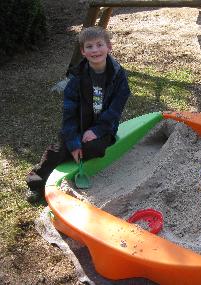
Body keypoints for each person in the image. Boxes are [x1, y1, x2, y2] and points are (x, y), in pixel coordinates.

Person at [25, 26, 132, 202]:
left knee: (96, 148)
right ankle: (35, 184)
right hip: (78, 125)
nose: (95, 50)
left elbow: (116, 109)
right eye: (89, 46)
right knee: (57, 151)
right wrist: (73, 143)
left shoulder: (119, 76)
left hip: (103, 127)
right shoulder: (76, 79)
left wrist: (96, 131)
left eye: (100, 45)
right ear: (83, 52)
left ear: (109, 47)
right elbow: (69, 114)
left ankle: (72, 154)